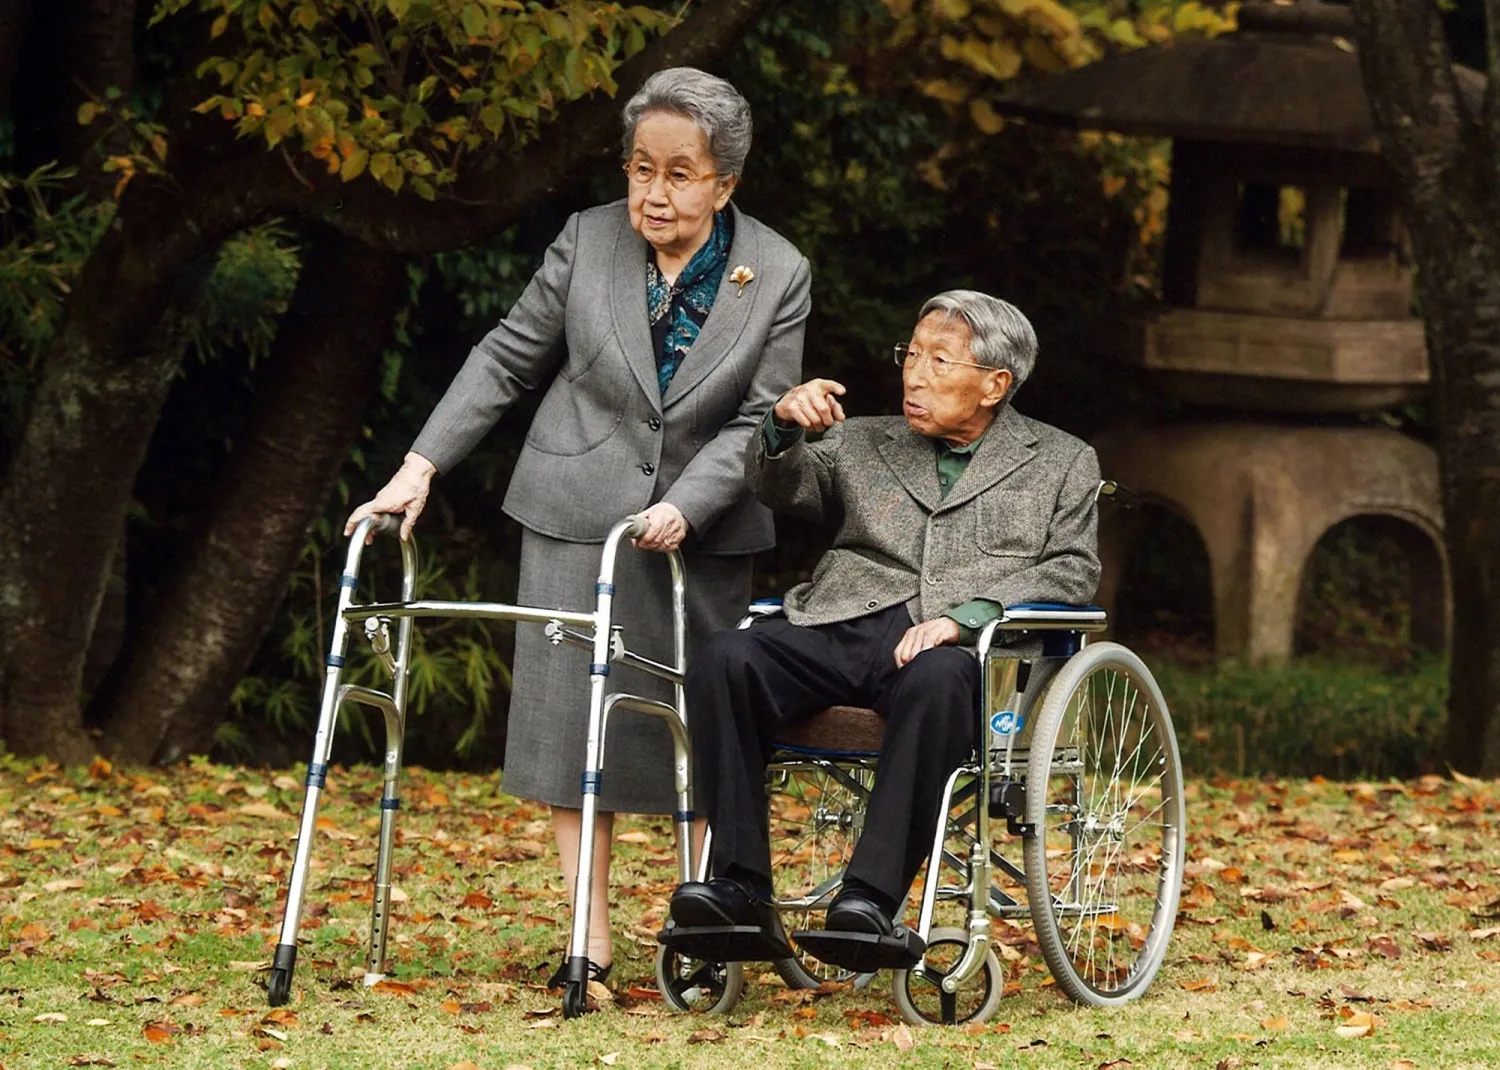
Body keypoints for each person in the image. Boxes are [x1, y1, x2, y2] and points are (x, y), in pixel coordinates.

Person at [346, 67, 811, 985]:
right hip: (570, 507)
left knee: (698, 721)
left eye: (681, 173)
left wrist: (689, 502)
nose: (654, 191)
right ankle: (586, 937)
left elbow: (762, 415)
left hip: (705, 527)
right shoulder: (586, 238)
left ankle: (700, 921)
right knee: (571, 729)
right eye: (642, 167)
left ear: (726, 184)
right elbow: (507, 357)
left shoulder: (780, 269)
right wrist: (418, 465)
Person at [662, 290, 1099, 971]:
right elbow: (783, 487)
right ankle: (739, 887)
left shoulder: (1062, 460)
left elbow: (1073, 570)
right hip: (836, 623)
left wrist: (964, 618)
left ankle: (867, 902)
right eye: (911, 354)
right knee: (725, 656)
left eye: (938, 360)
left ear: (994, 385)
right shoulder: (862, 438)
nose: (914, 374)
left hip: (948, 648)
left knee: (943, 676)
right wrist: (782, 426)